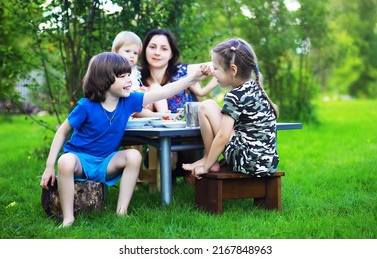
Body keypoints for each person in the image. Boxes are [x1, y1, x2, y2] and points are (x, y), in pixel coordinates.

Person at [40, 52, 210, 227]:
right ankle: (68, 218)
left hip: (106, 162)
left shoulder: (128, 101)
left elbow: (164, 92)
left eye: (129, 74)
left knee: (134, 156)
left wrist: (192, 79)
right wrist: (49, 166)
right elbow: (62, 132)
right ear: (103, 79)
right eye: (122, 76)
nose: (129, 80)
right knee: (65, 161)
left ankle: (121, 211)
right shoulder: (86, 106)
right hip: (80, 161)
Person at [182, 38, 279, 180]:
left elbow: (223, 136)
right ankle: (210, 159)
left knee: (206, 106)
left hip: (247, 162)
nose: (213, 73)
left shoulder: (235, 95)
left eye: (216, 68)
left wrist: (206, 168)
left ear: (233, 70)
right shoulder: (255, 88)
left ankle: (209, 160)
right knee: (210, 107)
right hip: (267, 163)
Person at [139, 28, 219, 179]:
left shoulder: (183, 71)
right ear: (145, 50)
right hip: (156, 141)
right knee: (162, 155)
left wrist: (204, 87)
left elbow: (221, 64)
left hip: (190, 140)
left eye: (164, 49)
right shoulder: (137, 77)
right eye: (152, 47)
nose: (157, 52)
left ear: (171, 54)